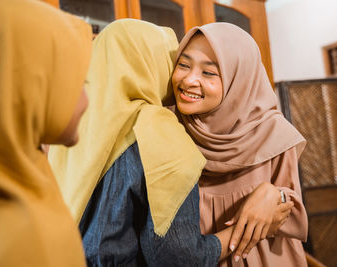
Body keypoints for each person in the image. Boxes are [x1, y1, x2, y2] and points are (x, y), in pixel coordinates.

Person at [49, 19, 252, 266]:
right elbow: (178, 258)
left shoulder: (69, 126)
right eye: (175, 62)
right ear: (151, 63)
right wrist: (237, 235)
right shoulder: (158, 130)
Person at [171, 22, 308, 267]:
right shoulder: (167, 130)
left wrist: (273, 194)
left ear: (240, 79)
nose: (189, 79)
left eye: (209, 73)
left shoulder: (274, 134)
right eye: (183, 65)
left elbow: (293, 212)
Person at [0, 0, 92, 266]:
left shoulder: (22, 171)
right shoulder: (20, 237)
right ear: (27, 88)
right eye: (77, 83)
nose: (85, 100)